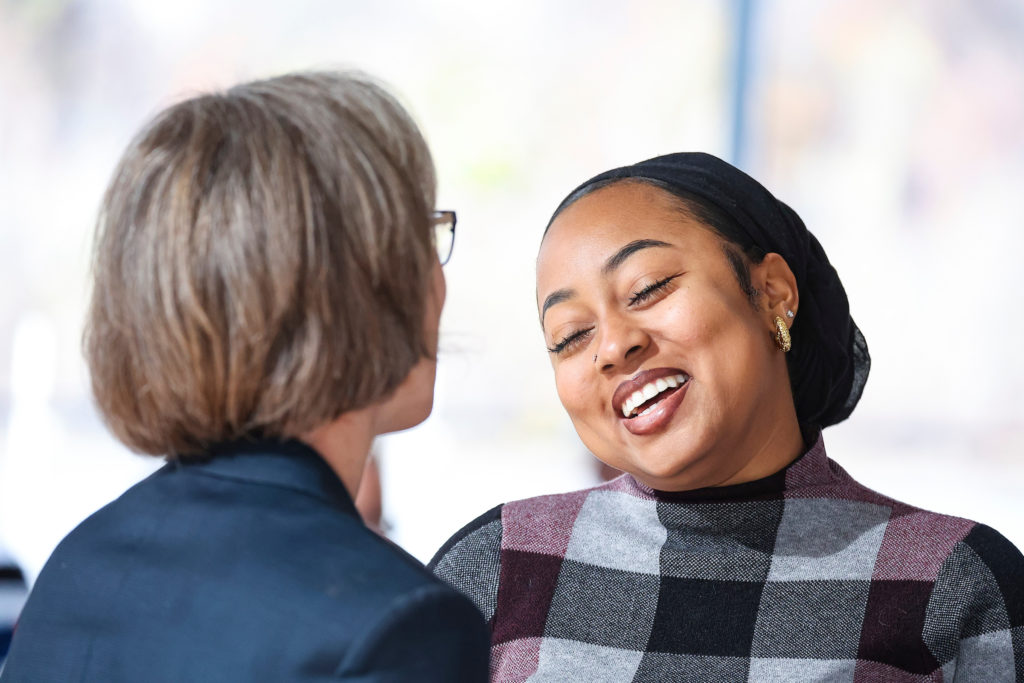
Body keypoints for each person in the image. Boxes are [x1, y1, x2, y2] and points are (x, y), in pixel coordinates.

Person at [431, 152, 1024, 681]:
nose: (611, 347)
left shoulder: (954, 583)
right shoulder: (500, 567)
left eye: (648, 288)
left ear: (772, 292)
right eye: (570, 335)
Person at [2, 71, 489, 682]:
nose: (439, 280)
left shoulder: (85, 560)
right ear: (356, 290)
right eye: (421, 235)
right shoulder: (400, 624)